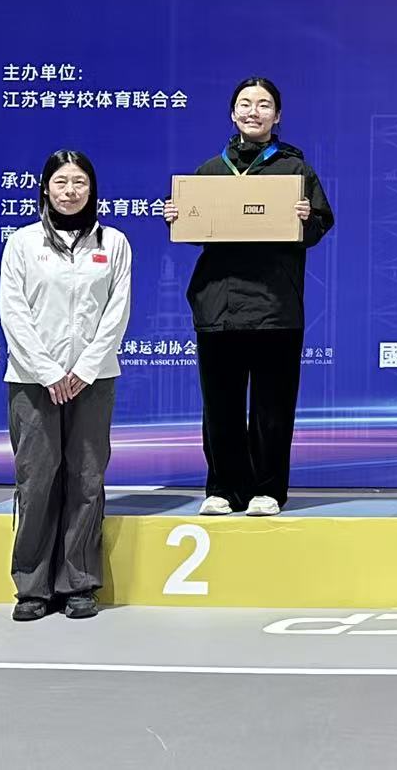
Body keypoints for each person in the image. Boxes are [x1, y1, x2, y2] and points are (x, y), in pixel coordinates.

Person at [162, 77, 333, 517]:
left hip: (275, 305)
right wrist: (176, 215)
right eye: (245, 104)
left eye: (263, 104)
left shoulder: (295, 170)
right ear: (232, 113)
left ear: (277, 116)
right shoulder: (209, 171)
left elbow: (320, 225)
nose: (253, 111)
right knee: (220, 404)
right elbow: (194, 228)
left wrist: (307, 218)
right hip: (217, 303)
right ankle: (224, 488)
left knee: (272, 406)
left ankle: (268, 490)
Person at [0, 150, 132, 622]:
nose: (70, 191)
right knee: (36, 480)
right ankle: (31, 587)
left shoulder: (114, 242)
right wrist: (49, 371)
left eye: (79, 182)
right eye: (61, 182)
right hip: (33, 380)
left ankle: (79, 583)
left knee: (86, 479)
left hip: (92, 380)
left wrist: (86, 368)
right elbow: (13, 311)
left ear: (92, 189)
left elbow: (117, 311)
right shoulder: (22, 242)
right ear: (45, 188)